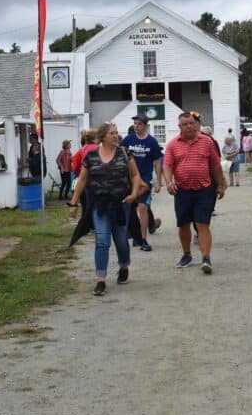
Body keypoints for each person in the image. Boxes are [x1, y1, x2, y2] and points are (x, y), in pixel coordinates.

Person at [68, 124, 142, 296]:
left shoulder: (125, 153)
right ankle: (100, 279)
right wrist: (74, 203)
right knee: (102, 241)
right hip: (100, 207)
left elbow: (135, 175)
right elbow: (82, 180)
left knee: (121, 240)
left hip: (121, 205)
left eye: (116, 133)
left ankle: (124, 266)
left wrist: (134, 194)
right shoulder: (91, 156)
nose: (116, 136)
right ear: (103, 137)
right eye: (112, 133)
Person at [163, 112, 226, 274]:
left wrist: (221, 184)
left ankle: (206, 258)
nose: (189, 126)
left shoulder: (206, 141)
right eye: (185, 124)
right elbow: (167, 166)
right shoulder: (172, 145)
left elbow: (215, 165)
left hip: (204, 190)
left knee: (202, 223)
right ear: (179, 126)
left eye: (191, 123)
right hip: (182, 190)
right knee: (183, 224)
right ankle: (187, 254)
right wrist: (169, 182)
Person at [122, 113, 164, 252]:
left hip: (145, 180)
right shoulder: (128, 140)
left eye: (139, 124)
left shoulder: (152, 142)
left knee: (142, 207)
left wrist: (158, 181)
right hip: (129, 179)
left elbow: (157, 162)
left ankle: (143, 239)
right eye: (135, 124)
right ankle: (134, 235)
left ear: (146, 126)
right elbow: (119, 154)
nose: (136, 126)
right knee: (129, 207)